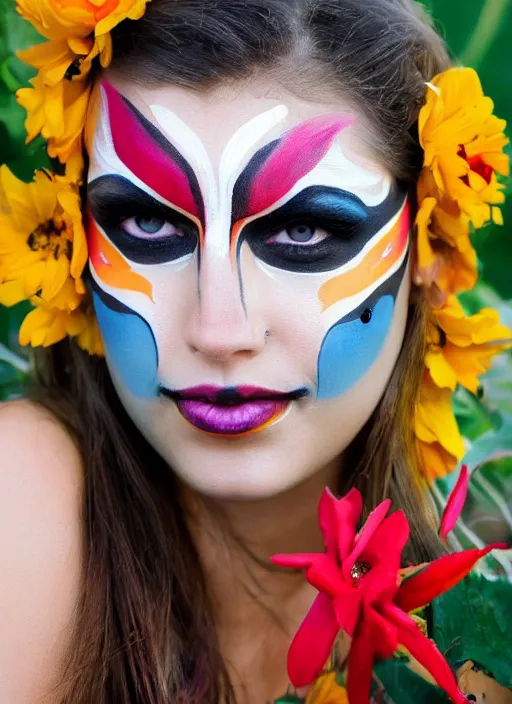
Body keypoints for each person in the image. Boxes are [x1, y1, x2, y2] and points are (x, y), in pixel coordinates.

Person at [0, 0, 509, 702]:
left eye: (301, 230)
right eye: (147, 221)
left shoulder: (474, 653)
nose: (218, 330)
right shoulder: (20, 496)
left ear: (430, 241)